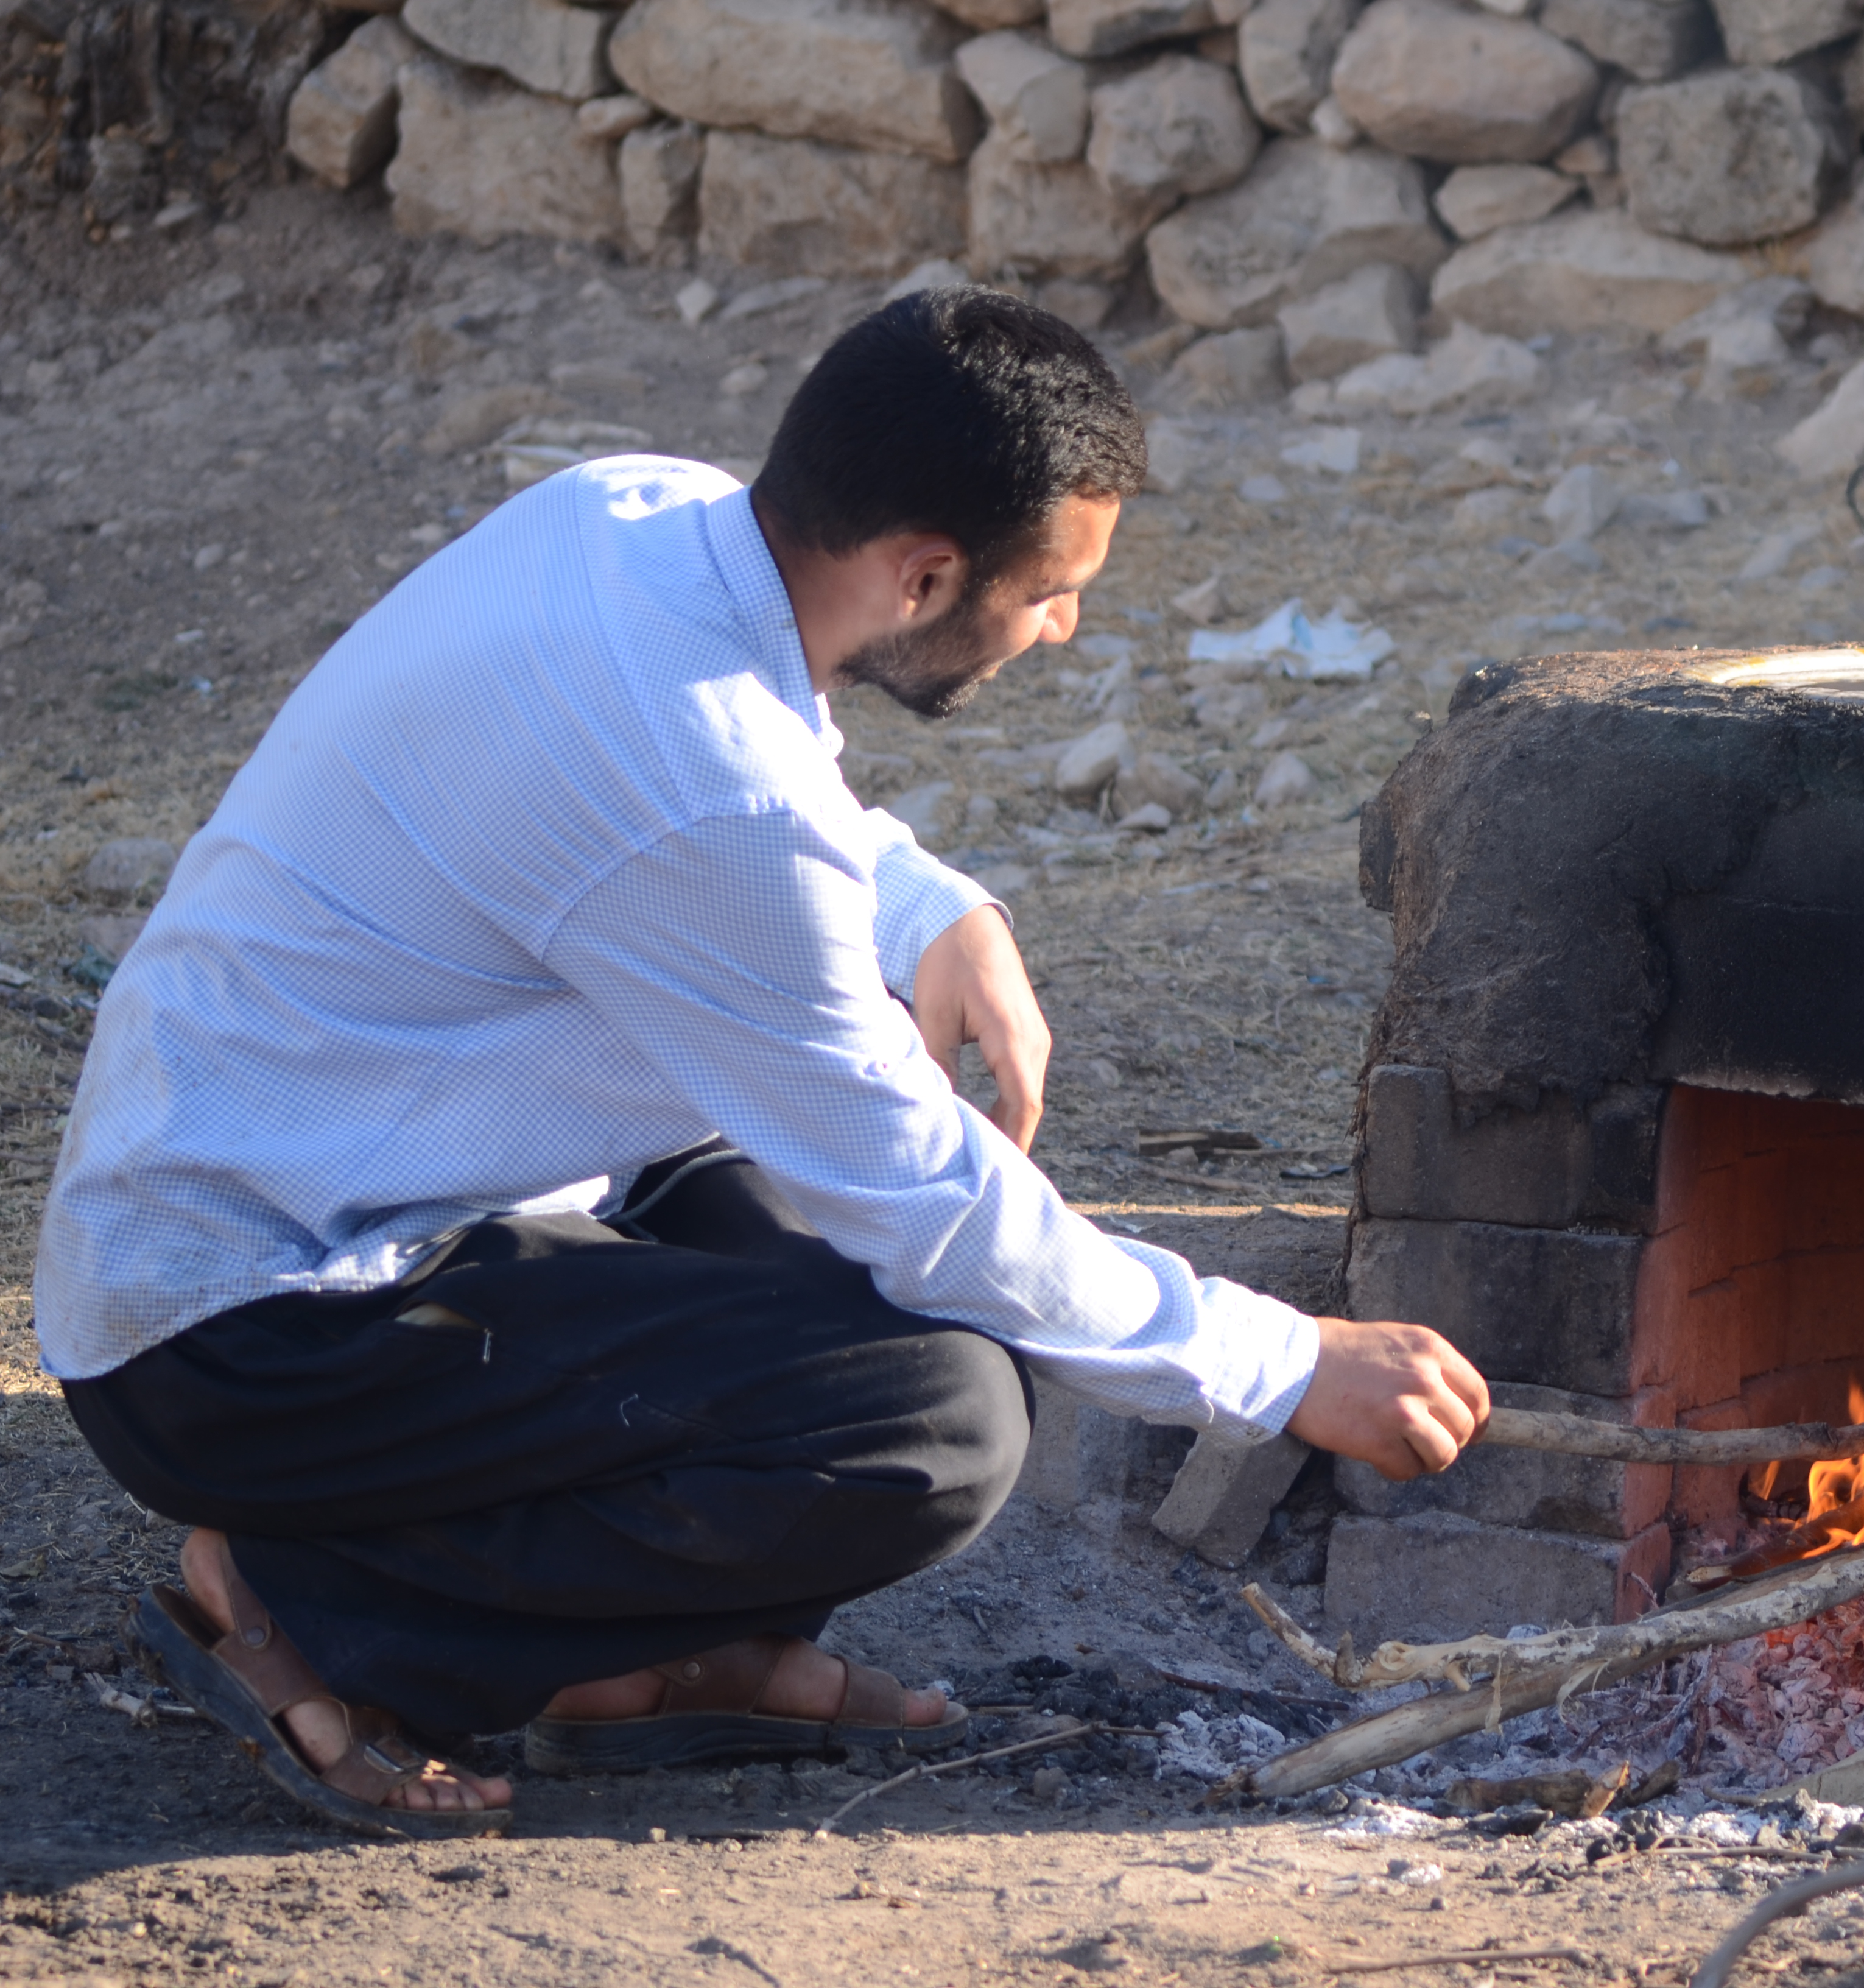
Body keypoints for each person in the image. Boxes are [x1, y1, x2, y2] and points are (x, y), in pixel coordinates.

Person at [31, 287, 1489, 1838]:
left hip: (341, 1171)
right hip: (234, 1325)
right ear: (924, 574)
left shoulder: (639, 515)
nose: (1063, 626)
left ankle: (624, 1638)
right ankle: (322, 1607)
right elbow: (925, 1195)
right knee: (930, 1419)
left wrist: (936, 911)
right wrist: (1287, 1366)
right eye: (1052, 590)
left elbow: (747, 801)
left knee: (842, 1271)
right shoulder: (708, 801)